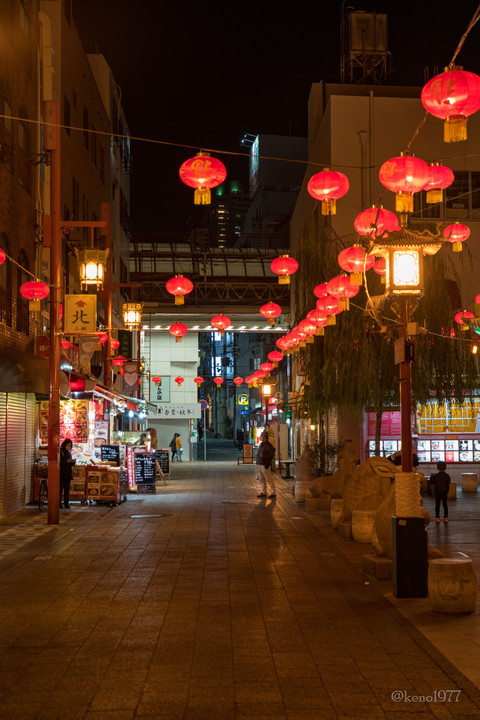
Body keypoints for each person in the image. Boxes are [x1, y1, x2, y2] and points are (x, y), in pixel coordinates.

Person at [256, 430, 276, 499]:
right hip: (260, 464)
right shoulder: (261, 445)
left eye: (262, 435)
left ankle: (273, 493)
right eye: (261, 435)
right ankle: (263, 492)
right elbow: (258, 455)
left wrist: (263, 456)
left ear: (265, 437)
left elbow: (271, 455)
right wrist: (257, 463)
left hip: (265, 465)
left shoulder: (268, 445)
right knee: (261, 479)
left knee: (269, 479)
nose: (261, 437)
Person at [59, 438, 76, 509]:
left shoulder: (68, 452)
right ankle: (59, 503)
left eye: (70, 445)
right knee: (60, 490)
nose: (69, 446)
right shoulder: (61, 452)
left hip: (68, 473)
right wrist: (67, 461)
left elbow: (70, 464)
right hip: (62, 473)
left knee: (67, 490)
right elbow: (60, 462)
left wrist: (72, 462)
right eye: (68, 445)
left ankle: (66, 503)